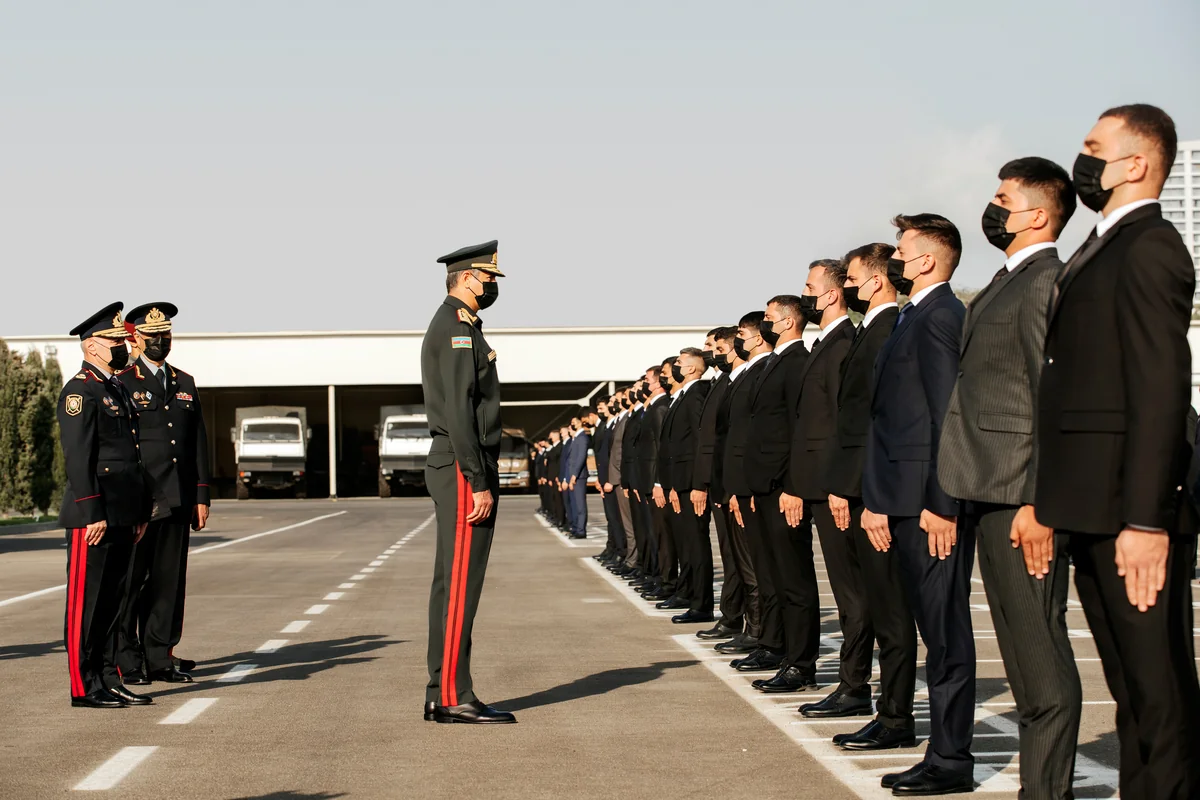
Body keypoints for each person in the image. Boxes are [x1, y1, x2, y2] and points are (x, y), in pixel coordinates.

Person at [1037, 104, 1200, 797]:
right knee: (1132, 692)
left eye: (1094, 147)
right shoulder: (1101, 245)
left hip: (1127, 515)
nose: (1084, 159)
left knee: (1159, 695)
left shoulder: (1150, 245)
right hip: (1089, 507)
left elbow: (1160, 392)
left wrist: (1146, 520)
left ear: (1135, 163)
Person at [938, 157, 1082, 799]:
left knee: (1038, 659)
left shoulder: (1046, 281)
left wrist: (1038, 502)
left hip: (1018, 496)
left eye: (1003, 198)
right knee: (1022, 659)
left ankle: (1046, 793)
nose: (992, 207)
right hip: (987, 491)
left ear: (1038, 214)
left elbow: (1054, 399)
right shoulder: (1006, 279)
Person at [862, 215, 972, 794]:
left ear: (926, 260)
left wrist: (942, 502)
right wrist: (878, 497)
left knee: (945, 635)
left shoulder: (939, 318)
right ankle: (940, 750)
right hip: (902, 498)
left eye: (902, 251)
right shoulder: (914, 316)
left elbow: (946, 417)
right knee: (932, 632)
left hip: (930, 506)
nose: (894, 260)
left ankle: (950, 760)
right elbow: (890, 420)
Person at [820, 244, 917, 746]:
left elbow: (872, 422)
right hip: (862, 489)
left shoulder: (886, 331)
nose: (848, 286)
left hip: (871, 491)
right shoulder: (873, 331)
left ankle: (896, 716)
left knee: (890, 611)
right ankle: (887, 709)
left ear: (875, 283)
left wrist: (854, 489)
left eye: (853, 279)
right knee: (879, 605)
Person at [420, 239, 515, 725]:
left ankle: (443, 690)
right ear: (468, 278)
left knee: (451, 583)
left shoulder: (461, 327)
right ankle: (454, 694)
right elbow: (460, 410)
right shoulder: (457, 328)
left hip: (458, 463)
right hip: (462, 466)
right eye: (490, 279)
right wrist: (477, 478)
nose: (494, 287)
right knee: (460, 586)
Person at [58, 302, 152, 708]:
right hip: (94, 516)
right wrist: (92, 512)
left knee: (114, 602)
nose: (122, 347)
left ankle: (108, 678)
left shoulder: (114, 388)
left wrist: (139, 512)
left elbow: (131, 455)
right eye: (115, 341)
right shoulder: (79, 391)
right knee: (87, 603)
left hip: (123, 512)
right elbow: (79, 458)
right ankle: (84, 686)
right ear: (92, 346)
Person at [115, 302, 211, 686]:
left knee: (168, 583)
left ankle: (160, 656)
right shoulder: (122, 381)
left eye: (166, 335)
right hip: (140, 500)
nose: (161, 342)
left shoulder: (184, 381)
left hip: (177, 497)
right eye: (154, 336)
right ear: (135, 337)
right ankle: (127, 658)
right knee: (131, 583)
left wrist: (201, 494)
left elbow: (197, 442)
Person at [779, 261, 858, 708]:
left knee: (851, 594)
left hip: (833, 487)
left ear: (829, 295)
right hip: (816, 485)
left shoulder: (844, 343)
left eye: (810, 286)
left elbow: (837, 426)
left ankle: (853, 685)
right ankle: (848, 683)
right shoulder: (823, 345)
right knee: (845, 591)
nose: (805, 293)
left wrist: (834, 485)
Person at [744, 295, 818, 695]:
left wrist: (793, 485)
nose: (765, 324)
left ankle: (801, 664)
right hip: (765, 487)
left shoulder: (797, 362)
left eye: (770, 318)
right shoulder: (774, 362)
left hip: (784, 488)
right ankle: (787, 655)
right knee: (777, 576)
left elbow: (798, 428)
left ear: (788, 322)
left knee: (795, 580)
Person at [722, 312, 780, 673]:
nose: (733, 344)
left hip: (756, 486)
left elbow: (754, 437)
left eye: (740, 335)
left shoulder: (762, 371)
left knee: (762, 570)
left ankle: (763, 634)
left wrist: (742, 487)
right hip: (741, 486)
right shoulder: (742, 376)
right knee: (750, 565)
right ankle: (763, 635)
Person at [711, 327, 762, 656]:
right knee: (739, 562)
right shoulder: (732, 381)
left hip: (748, 487)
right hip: (732, 487)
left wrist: (741, 487)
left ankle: (758, 630)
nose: (712, 353)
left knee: (753, 565)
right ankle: (753, 627)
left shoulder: (754, 375)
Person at [693, 329, 744, 641]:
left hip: (728, 482)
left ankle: (736, 619)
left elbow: (721, 439)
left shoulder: (728, 381)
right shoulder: (717, 382)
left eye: (713, 346)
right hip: (719, 482)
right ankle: (733, 616)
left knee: (739, 557)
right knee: (731, 555)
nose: (709, 351)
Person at [659, 348, 713, 623]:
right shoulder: (682, 396)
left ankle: (702, 604)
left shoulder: (696, 395)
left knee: (696, 545)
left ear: (692, 369)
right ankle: (690, 594)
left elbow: (698, 445)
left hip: (691, 486)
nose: (675, 367)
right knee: (687, 545)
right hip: (678, 485)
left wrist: (697, 485)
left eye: (679, 363)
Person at [635, 369, 672, 602]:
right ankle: (660, 578)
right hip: (647, 480)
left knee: (663, 537)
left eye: (647, 380)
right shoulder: (652, 407)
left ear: (658, 382)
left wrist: (658, 480)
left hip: (655, 480)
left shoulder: (660, 408)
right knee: (655, 534)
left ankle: (668, 582)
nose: (644, 385)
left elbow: (660, 448)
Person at [564, 416, 591, 539]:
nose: (572, 424)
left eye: (574, 422)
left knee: (580, 505)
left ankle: (581, 530)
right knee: (574, 504)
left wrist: (574, 475)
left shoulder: (582, 438)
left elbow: (580, 458)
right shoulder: (575, 439)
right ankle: (575, 528)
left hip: (578, 476)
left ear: (580, 423)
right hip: (572, 476)